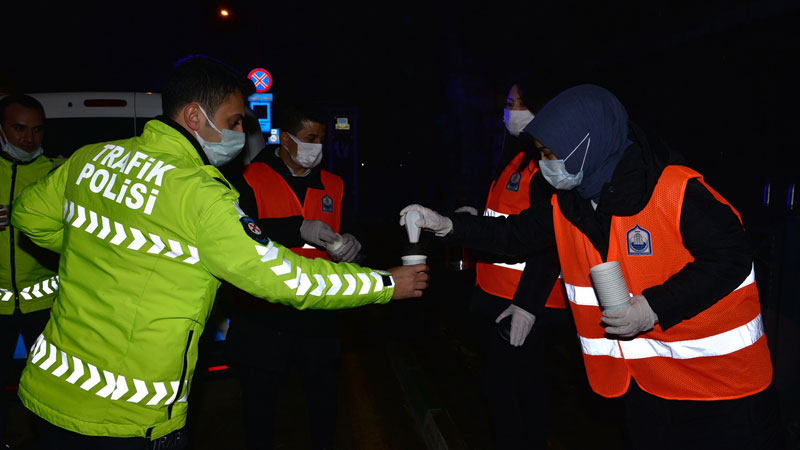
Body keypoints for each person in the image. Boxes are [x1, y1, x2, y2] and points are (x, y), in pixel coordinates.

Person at [9, 55, 428, 450]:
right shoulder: (200, 194)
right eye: (234, 121)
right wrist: (384, 283)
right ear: (195, 117)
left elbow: (27, 215)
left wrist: (102, 250)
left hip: (50, 391)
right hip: (128, 415)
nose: (240, 134)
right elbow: (284, 278)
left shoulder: (90, 159)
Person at [400, 84, 783, 450]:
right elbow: (515, 234)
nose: (545, 165)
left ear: (585, 144)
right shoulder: (572, 201)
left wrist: (652, 307)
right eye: (540, 154)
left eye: (550, 154)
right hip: (647, 387)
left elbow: (732, 256)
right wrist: (445, 225)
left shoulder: (674, 189)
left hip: (722, 389)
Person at [222, 102, 361, 450]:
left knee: (323, 407)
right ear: (285, 139)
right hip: (263, 316)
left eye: (321, 139)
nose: (317, 146)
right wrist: (297, 228)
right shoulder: (248, 178)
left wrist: (354, 247)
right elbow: (237, 234)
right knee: (259, 411)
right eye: (309, 138)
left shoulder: (334, 185)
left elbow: (353, 231)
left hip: (318, 316)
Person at [450, 75, 566, 450]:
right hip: (501, 295)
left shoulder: (546, 163)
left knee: (515, 392)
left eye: (514, 103)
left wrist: (527, 305)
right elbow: (507, 219)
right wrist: (474, 221)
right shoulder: (518, 156)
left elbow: (549, 237)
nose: (507, 110)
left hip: (525, 301)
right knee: (510, 389)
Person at [0, 94, 63, 448]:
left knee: (50, 392)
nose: (28, 138)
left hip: (46, 308)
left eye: (37, 130)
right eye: (19, 128)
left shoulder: (57, 172)